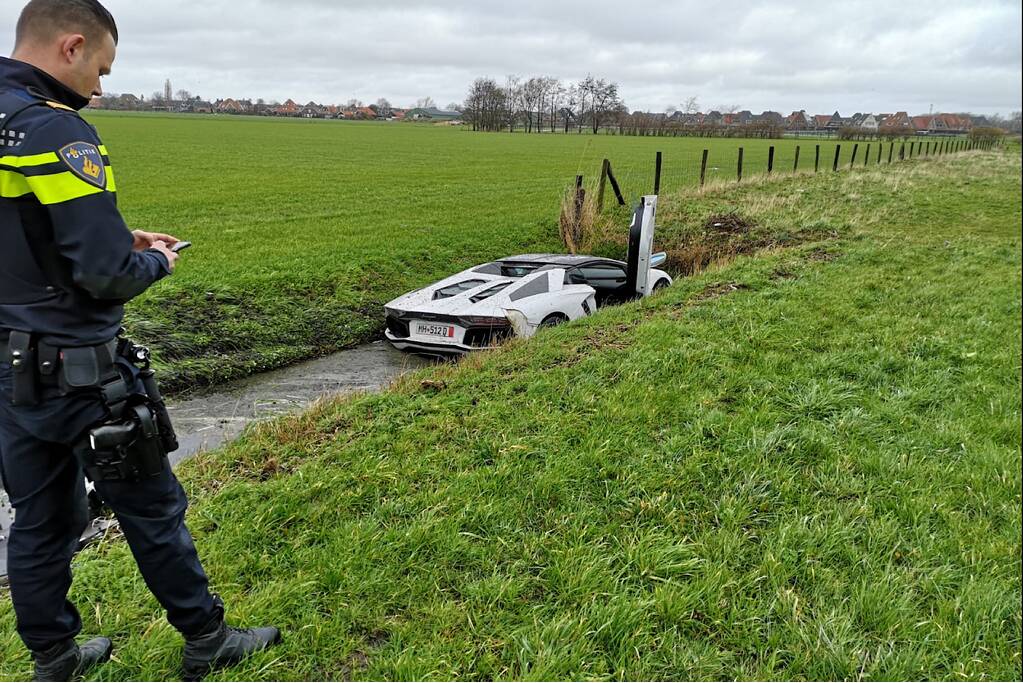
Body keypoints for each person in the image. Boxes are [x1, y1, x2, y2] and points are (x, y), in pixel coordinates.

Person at [0, 1, 282, 679]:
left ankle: (55, 657)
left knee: (39, 519)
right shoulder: (54, 130)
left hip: (9, 367)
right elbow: (105, 276)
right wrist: (153, 258)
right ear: (71, 47)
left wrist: (115, 234)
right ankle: (207, 638)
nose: (99, 86)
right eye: (101, 67)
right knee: (153, 509)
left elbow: (28, 227)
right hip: (82, 373)